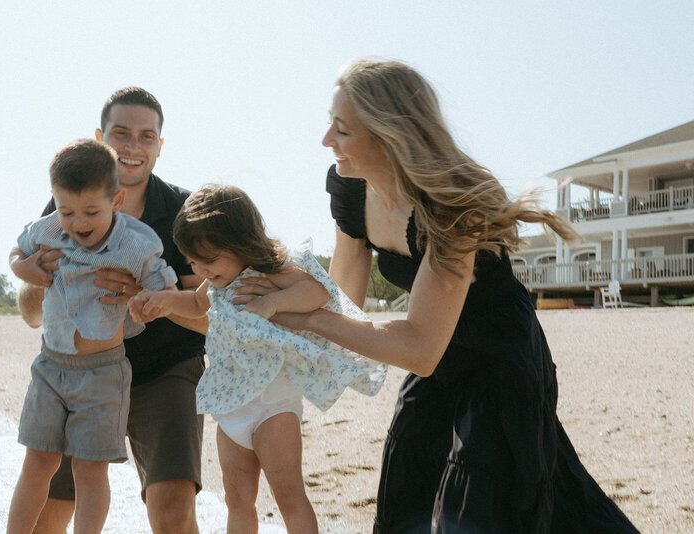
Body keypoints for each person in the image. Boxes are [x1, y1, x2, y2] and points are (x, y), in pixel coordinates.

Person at [235, 59, 640, 533]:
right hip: (437, 368)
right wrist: (267, 298)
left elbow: (418, 346)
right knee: (408, 496)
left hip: (500, 367)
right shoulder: (349, 189)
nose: (327, 140)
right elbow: (341, 299)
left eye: (341, 130)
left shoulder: (456, 205)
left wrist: (305, 320)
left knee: (480, 515)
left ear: (389, 136)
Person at [129, 184, 386, 533]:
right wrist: (159, 301)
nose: (201, 269)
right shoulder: (216, 282)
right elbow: (193, 304)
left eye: (208, 259)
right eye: (193, 261)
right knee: (238, 500)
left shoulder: (269, 269)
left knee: (288, 494)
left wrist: (273, 302)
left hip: (272, 403)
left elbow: (318, 289)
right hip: (230, 404)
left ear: (240, 243)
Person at [10, 87, 207, 534]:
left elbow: (212, 314)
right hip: (76, 370)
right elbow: (30, 311)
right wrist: (38, 276)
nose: (133, 147)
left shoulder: (185, 214)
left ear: (160, 145)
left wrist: (145, 296)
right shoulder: (66, 207)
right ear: (101, 138)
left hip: (165, 369)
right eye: (121, 133)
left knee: (174, 510)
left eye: (146, 136)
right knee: (48, 510)